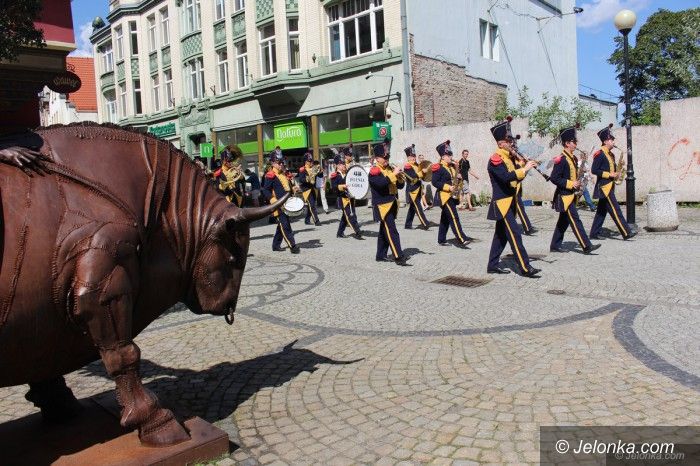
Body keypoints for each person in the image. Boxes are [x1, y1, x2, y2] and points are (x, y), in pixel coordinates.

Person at [486, 120, 541, 277]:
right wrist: (524, 169)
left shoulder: (510, 158)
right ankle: (525, 267)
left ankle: (492, 265)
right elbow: (506, 178)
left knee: (501, 236)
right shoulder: (496, 159)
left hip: (511, 202)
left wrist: (525, 167)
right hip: (502, 203)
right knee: (515, 234)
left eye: (511, 140)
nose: (512, 143)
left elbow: (516, 179)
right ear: (500, 143)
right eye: (508, 140)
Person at [549, 126, 601, 254]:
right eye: (574, 142)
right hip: (564, 196)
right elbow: (554, 178)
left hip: (571, 195)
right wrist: (571, 183)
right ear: (567, 143)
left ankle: (555, 245)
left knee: (563, 222)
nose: (576, 144)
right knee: (575, 220)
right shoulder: (561, 159)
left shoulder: (573, 158)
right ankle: (586, 245)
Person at [590, 124, 636, 240]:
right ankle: (626, 232)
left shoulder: (611, 155)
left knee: (601, 211)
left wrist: (618, 170)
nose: (614, 142)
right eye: (611, 139)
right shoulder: (600, 154)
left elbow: (612, 169)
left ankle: (594, 233)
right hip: (604, 186)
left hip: (610, 185)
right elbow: (594, 170)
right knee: (616, 210)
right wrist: (609, 174)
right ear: (605, 141)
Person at [368, 143, 408, 266]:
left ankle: (380, 255)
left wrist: (400, 177)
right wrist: (393, 174)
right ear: (377, 158)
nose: (386, 159)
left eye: (387, 157)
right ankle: (398, 256)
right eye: (384, 157)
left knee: (383, 231)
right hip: (382, 206)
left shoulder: (389, 169)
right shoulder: (374, 171)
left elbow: (400, 186)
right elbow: (381, 184)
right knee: (391, 230)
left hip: (392, 203)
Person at [431, 140, 471, 247]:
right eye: (449, 155)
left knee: (445, 219)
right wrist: (448, 187)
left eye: (451, 155)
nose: (451, 157)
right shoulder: (438, 167)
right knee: (454, 217)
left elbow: (455, 179)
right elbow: (435, 182)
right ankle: (461, 238)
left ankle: (441, 240)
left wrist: (459, 177)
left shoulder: (452, 167)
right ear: (443, 157)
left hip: (452, 196)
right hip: (444, 196)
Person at [261, 150, 300, 254]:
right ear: (273, 163)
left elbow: (287, 188)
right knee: (285, 225)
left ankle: (275, 245)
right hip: (278, 204)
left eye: (282, 162)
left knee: (281, 225)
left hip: (287, 203)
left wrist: (293, 189)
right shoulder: (270, 175)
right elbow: (265, 190)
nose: (281, 164)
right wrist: (273, 200)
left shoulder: (284, 174)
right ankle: (293, 246)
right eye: (279, 162)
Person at [330, 153, 363, 239]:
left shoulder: (349, 173)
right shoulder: (335, 176)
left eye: (344, 163)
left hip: (350, 198)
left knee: (345, 217)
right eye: (342, 164)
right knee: (350, 215)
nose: (344, 165)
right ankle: (358, 232)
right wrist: (342, 186)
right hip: (343, 199)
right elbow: (334, 187)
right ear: (337, 166)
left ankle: (339, 233)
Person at [403, 144, 429, 230]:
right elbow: (412, 177)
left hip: (418, 188)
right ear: (408, 157)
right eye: (411, 156)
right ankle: (425, 223)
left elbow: (421, 176)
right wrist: (422, 172)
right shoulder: (407, 166)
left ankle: (407, 225)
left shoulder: (417, 165)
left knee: (412, 208)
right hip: (412, 190)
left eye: (414, 156)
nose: (413, 158)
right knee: (418, 207)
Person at [296, 151, 321, 226]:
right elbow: (301, 179)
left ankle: (307, 220)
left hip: (312, 188)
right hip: (306, 189)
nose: (311, 162)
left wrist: (320, 172)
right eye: (309, 161)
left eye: (311, 161)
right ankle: (316, 221)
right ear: (306, 161)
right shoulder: (302, 169)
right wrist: (308, 179)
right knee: (312, 205)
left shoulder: (313, 168)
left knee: (312, 205)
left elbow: (319, 176)